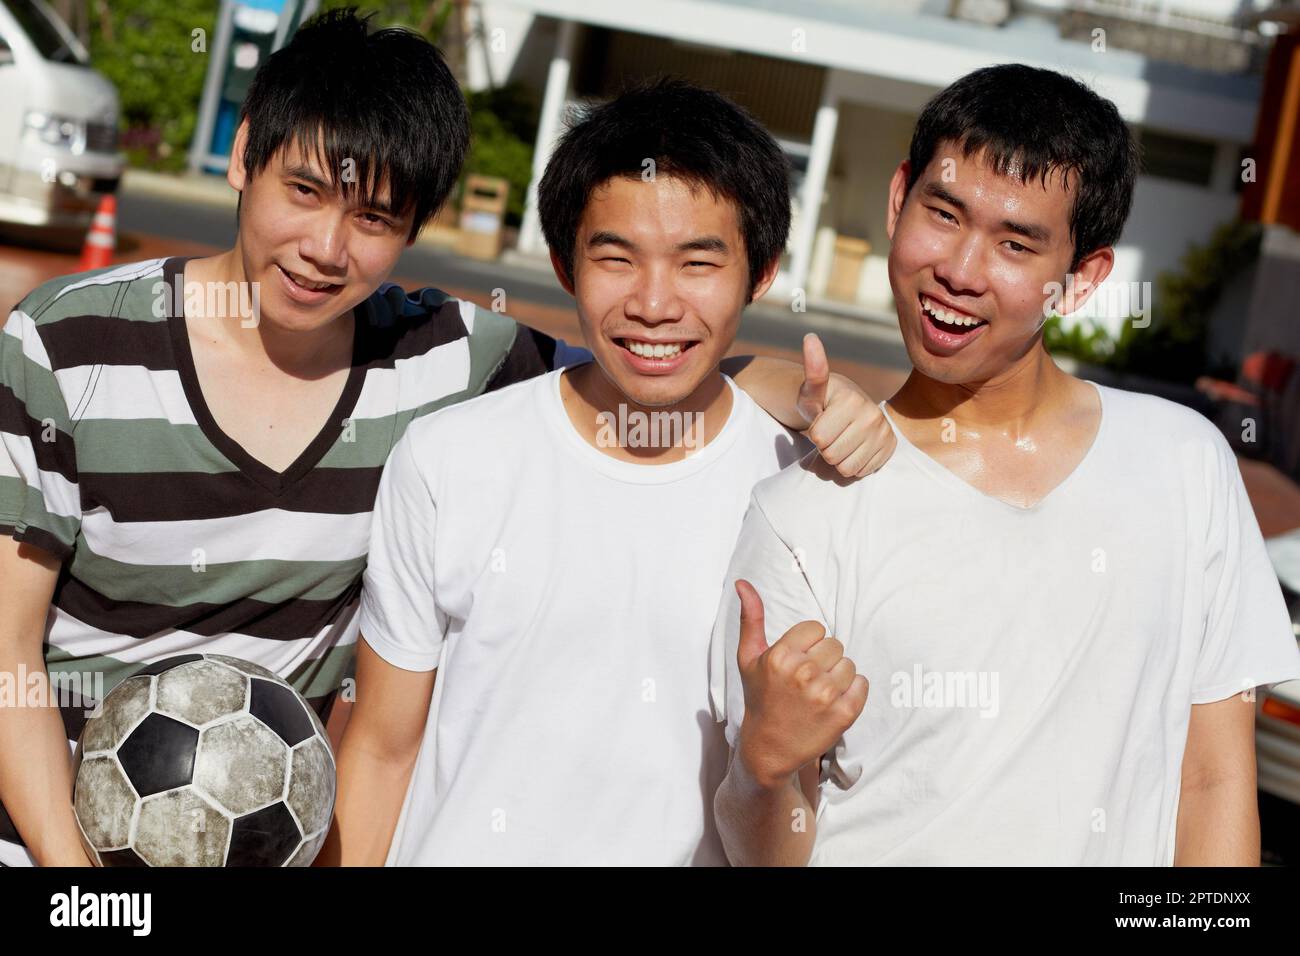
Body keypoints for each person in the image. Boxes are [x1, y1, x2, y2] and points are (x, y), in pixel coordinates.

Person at [0, 13, 884, 867]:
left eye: (375, 219)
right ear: (241, 156)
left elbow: (646, 360)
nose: (324, 248)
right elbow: (6, 654)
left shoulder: (451, 357)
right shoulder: (67, 344)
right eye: (303, 192)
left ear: (414, 228)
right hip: (58, 838)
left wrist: (788, 386)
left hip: (265, 838)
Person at [710, 63, 1300, 866]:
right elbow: (763, 854)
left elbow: (1212, 781)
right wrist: (766, 765)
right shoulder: (799, 512)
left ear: (1082, 278)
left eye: (1016, 242)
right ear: (898, 201)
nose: (959, 269)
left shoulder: (1185, 464)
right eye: (943, 214)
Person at [327, 78, 894, 866]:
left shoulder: (808, 487)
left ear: (760, 274)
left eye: (698, 262)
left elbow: (794, 810)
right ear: (564, 265)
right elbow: (383, 748)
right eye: (616, 257)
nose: (654, 304)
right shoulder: (447, 458)